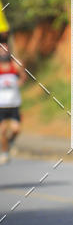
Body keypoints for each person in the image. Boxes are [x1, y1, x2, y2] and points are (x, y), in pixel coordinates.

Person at [0, 32, 25, 165]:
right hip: (1, 105)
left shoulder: (14, 65)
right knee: (2, 130)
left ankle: (10, 143)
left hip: (14, 103)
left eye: (5, 48)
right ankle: (4, 152)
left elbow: (23, 75)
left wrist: (20, 81)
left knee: (16, 129)